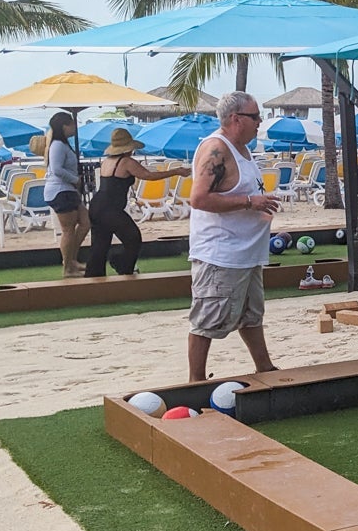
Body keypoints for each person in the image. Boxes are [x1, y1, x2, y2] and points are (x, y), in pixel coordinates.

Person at [186, 91, 282, 383]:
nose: (259, 122)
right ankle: (195, 380)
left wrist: (258, 205)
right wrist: (250, 203)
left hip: (247, 253)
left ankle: (264, 367)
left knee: (251, 314)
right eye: (255, 117)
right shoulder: (217, 149)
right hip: (221, 253)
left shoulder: (242, 149)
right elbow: (198, 198)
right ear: (235, 118)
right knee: (208, 319)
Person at [84, 128, 188, 278]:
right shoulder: (126, 162)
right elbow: (149, 176)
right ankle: (122, 265)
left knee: (100, 245)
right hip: (110, 208)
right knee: (133, 239)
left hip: (97, 205)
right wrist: (176, 171)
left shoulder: (107, 161)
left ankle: (93, 277)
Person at [43, 111, 89, 277]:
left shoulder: (63, 144)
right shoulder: (57, 145)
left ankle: (71, 260)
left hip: (67, 190)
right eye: (72, 124)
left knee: (85, 221)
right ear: (64, 126)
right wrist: (75, 179)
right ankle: (68, 267)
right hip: (60, 190)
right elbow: (56, 169)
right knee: (68, 229)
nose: (74, 127)